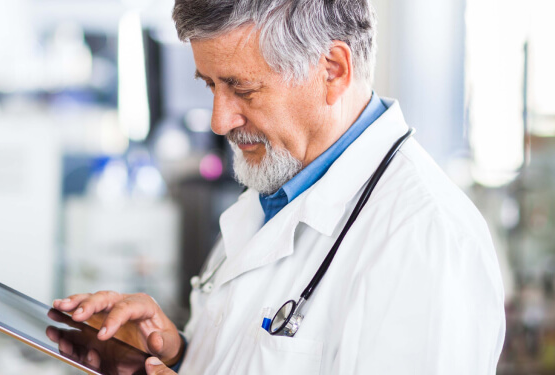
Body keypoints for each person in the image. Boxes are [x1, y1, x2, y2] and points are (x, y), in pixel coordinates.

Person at [53, 0, 506, 374]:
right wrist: (176, 354)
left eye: (243, 90)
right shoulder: (273, 189)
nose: (219, 120)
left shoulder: (426, 239)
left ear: (332, 70)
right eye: (210, 85)